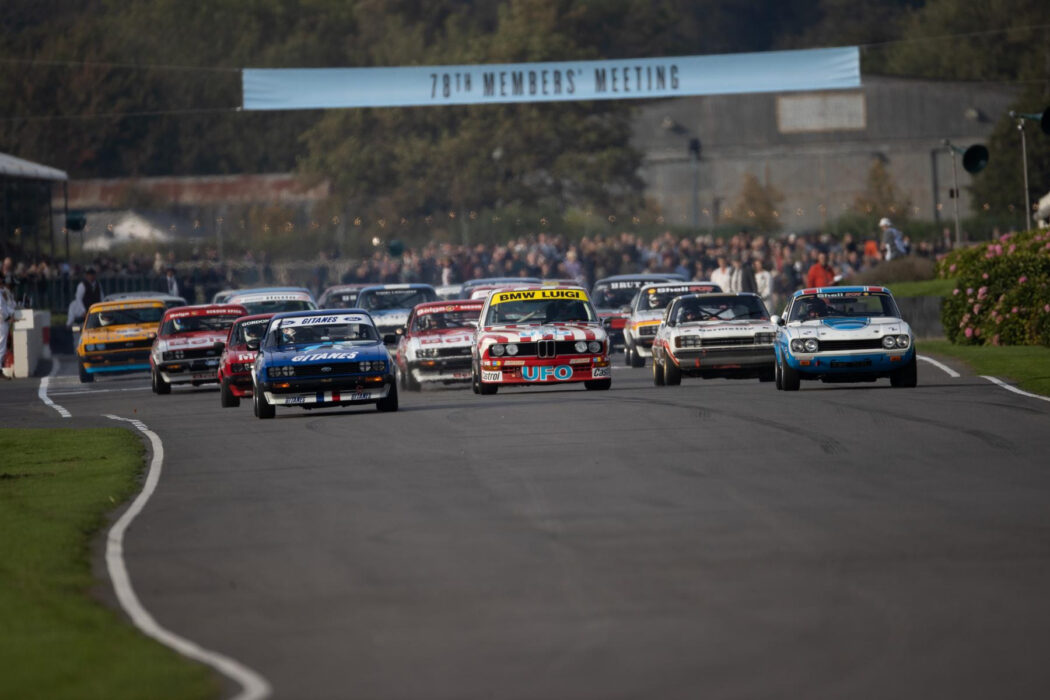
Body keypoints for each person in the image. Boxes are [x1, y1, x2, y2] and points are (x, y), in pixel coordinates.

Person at [0, 278, 15, 378]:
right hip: (2, 322)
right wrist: (9, 317)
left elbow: (5, 308)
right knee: (2, 346)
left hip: (3, 320)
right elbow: (1, 309)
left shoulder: (2, 293)